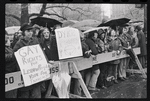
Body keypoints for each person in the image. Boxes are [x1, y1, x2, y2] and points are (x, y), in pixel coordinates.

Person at [13, 23, 42, 98]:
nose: (30, 32)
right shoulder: (19, 44)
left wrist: (47, 62)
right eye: (28, 31)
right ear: (23, 32)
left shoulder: (35, 41)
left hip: (36, 75)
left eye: (31, 31)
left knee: (36, 95)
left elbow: (41, 54)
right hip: (25, 76)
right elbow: (14, 58)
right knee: (25, 95)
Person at [5, 30, 19, 98]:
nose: (7, 39)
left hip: (13, 72)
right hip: (7, 73)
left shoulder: (9, 48)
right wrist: (15, 54)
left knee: (14, 93)